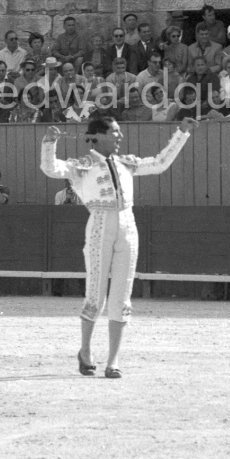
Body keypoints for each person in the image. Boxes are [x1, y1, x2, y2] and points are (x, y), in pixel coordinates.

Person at [40, 114, 198, 378]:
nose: (119, 137)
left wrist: (182, 133)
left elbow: (160, 163)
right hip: (100, 226)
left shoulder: (126, 163)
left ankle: (113, 361)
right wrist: (49, 142)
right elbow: (51, 168)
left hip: (127, 226)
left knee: (122, 295)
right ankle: (86, 352)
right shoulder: (84, 164)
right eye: (114, 132)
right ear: (99, 135)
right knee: (96, 293)